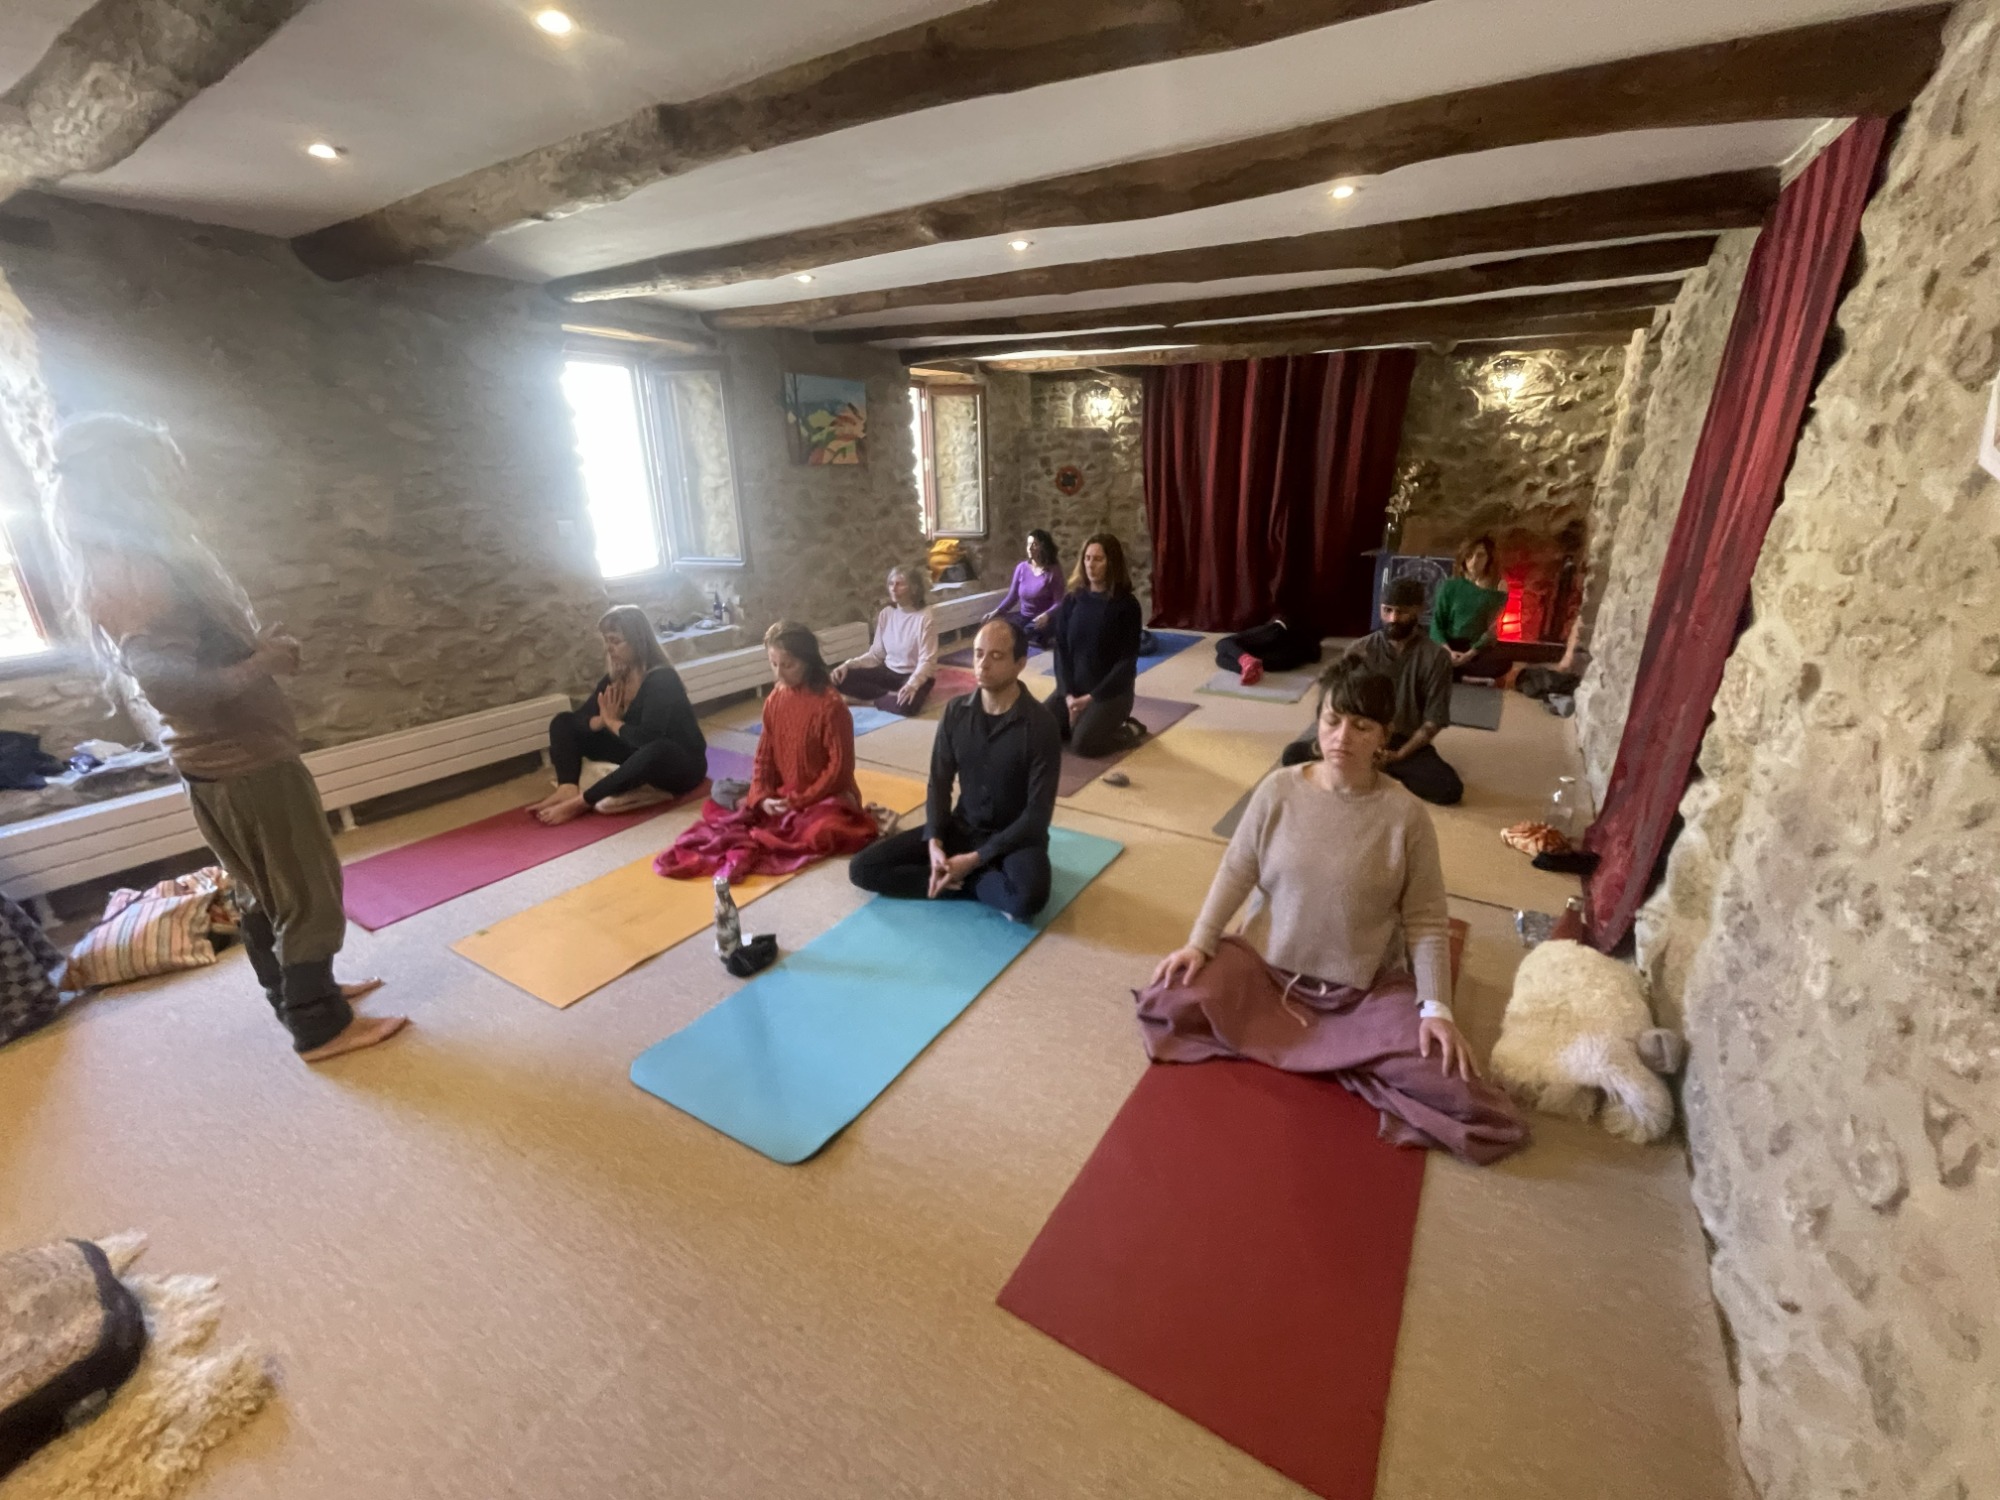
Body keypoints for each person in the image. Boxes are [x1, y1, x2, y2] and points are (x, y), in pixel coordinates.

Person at [48, 415, 403, 1061]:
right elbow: (170, 686)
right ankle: (319, 1026)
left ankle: (300, 997)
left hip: (215, 766)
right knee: (308, 892)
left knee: (263, 891)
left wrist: (250, 653)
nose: (173, 478)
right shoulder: (144, 570)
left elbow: (177, 667)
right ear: (129, 476)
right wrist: (263, 662)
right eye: (160, 466)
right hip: (248, 764)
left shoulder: (115, 564)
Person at [1135, 658, 1526, 1165]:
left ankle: (1330, 1047)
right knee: (1168, 999)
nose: (1342, 737)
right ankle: (1343, 1057)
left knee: (1462, 1091)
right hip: (1267, 972)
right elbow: (1237, 870)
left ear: (1384, 736)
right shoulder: (1278, 790)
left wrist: (1437, 1008)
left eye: (1361, 726)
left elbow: (1426, 920)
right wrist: (1200, 943)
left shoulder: (1406, 816)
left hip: (1361, 992)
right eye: (1332, 720)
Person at [849, 616, 1061, 921]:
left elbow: (1037, 816)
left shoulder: (1041, 725)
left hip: (1016, 838)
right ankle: (971, 882)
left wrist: (974, 859)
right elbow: (939, 781)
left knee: (1028, 900)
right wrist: (935, 842)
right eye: (978, 654)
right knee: (863, 869)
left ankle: (962, 877)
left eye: (996, 656)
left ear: (1020, 664)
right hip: (963, 828)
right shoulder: (956, 711)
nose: (983, 664)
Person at [655, 621, 876, 880]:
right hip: (782, 794)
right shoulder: (775, 699)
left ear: (807, 662)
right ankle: (771, 808)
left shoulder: (831, 706)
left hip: (825, 797)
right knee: (721, 789)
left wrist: (798, 801)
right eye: (774, 664)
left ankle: (785, 813)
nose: (780, 673)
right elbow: (764, 757)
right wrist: (762, 797)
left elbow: (838, 770)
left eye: (788, 665)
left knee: (823, 829)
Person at [1281, 576, 1462, 806]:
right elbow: (1339, 701)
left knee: (1448, 789)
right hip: (1359, 733)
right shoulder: (1360, 649)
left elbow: (1434, 719)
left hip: (1403, 742)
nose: (1393, 618)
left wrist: (1399, 755)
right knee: (1292, 755)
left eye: (1402, 612)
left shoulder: (1436, 658)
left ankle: (1372, 768)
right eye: (1387, 610)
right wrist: (1345, 741)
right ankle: (1369, 767)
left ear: (1418, 610)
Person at [530, 605, 707, 825]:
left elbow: (647, 738)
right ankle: (567, 788)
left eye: (615, 641)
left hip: (680, 764)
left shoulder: (662, 679)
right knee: (563, 721)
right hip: (635, 752)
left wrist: (612, 722)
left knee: (656, 748)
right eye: (607, 641)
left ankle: (581, 802)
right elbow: (581, 718)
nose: (609, 648)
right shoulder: (616, 678)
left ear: (637, 641)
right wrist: (600, 721)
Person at [1045, 532, 1144, 758]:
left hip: (1110, 694)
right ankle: (1077, 723)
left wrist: (1090, 699)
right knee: (1038, 730)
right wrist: (1068, 695)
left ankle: (1129, 729)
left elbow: (1126, 663)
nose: (1091, 565)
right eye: (1087, 558)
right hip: (1073, 689)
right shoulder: (1072, 600)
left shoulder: (1126, 606)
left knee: (1083, 745)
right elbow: (1061, 650)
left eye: (1098, 559)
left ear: (1112, 563)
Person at [831, 565, 938, 717]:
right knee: (840, 679)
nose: (893, 588)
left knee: (906, 706)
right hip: (888, 672)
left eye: (899, 584)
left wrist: (912, 685)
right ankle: (888, 698)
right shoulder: (886, 614)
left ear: (914, 588)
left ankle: (865, 701)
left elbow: (927, 661)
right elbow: (876, 655)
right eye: (891, 584)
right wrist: (847, 665)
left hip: (914, 675)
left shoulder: (925, 617)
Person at [1430, 535, 1509, 679]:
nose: (1474, 561)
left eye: (1480, 556)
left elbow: (1492, 629)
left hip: (1476, 648)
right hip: (1449, 645)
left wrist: (1468, 655)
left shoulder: (1498, 588)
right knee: (1428, 659)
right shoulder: (1450, 586)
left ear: (1489, 559)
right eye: (1469, 555)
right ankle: (1463, 675)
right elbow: (1437, 624)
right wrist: (1448, 652)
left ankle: (1456, 674)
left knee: (1503, 663)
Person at [984, 529, 1065, 647]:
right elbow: (1012, 597)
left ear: (1043, 547)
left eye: (1034, 544)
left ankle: (1038, 640)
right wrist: (997, 612)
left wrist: (1046, 615)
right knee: (1005, 631)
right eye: (1028, 544)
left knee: (1024, 635)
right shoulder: (1021, 568)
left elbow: (1059, 602)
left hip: (1044, 620)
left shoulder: (1053, 571)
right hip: (1024, 617)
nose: (1030, 548)